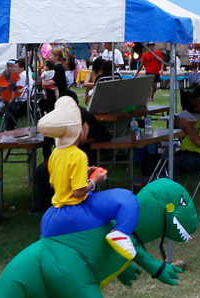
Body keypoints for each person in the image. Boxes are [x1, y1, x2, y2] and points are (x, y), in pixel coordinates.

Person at [38, 96, 138, 260]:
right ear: (78, 129)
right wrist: (95, 180)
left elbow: (59, 178)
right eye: (84, 123)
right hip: (74, 204)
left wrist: (84, 172)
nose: (87, 126)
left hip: (58, 203)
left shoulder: (56, 153)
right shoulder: (78, 155)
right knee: (127, 198)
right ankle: (120, 234)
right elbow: (78, 192)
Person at [3, 58, 34, 130]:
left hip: (23, 103)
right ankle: (13, 126)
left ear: (22, 68)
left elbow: (17, 92)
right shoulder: (28, 74)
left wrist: (9, 102)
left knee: (8, 108)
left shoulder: (20, 76)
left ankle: (10, 129)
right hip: (29, 102)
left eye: (16, 67)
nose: (14, 69)